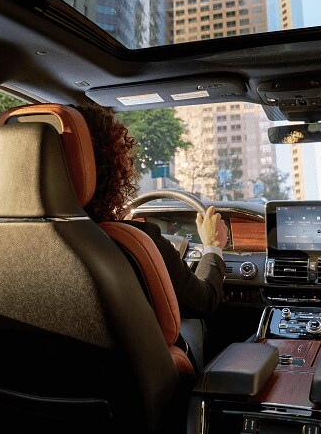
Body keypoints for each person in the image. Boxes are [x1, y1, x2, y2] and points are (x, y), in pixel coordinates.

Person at [73, 104, 227, 318]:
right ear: (112, 168)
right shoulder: (135, 239)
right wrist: (212, 246)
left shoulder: (15, 241)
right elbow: (204, 301)